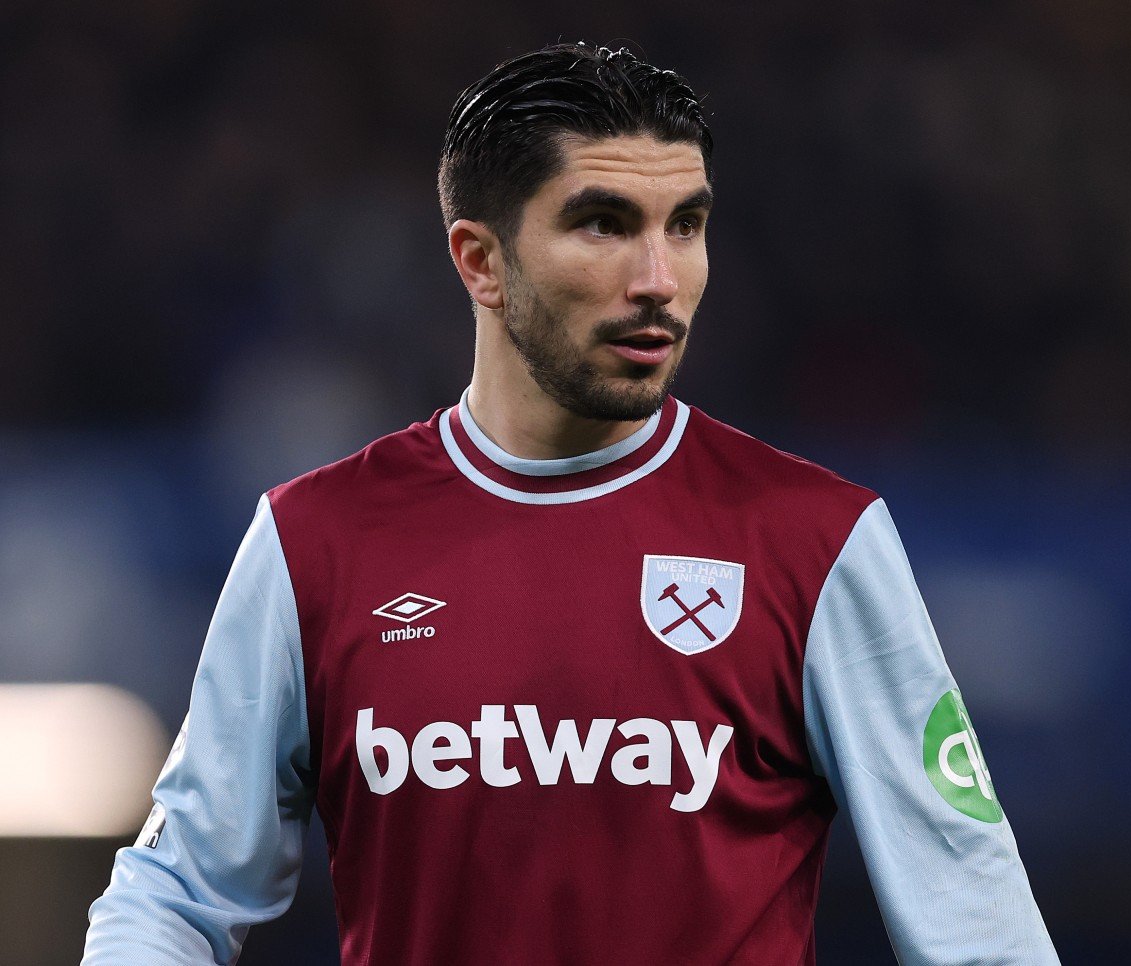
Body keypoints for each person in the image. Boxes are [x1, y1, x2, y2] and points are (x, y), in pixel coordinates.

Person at [83, 42, 1058, 965]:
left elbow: (974, 913)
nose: (658, 280)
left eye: (686, 224)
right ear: (480, 261)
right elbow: (175, 889)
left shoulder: (816, 541)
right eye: (604, 224)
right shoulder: (314, 543)